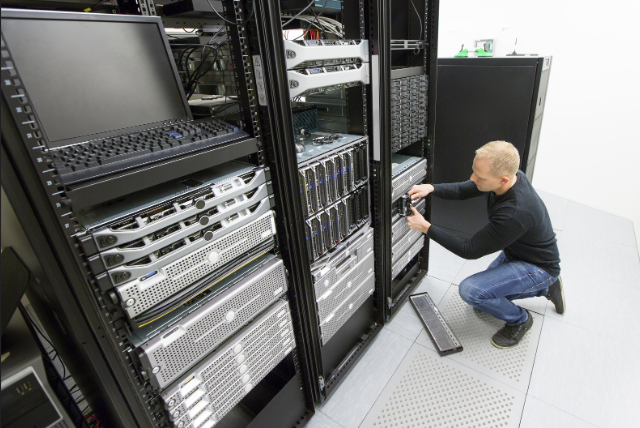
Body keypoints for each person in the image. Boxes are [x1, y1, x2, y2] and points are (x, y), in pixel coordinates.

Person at [407, 141, 564, 349]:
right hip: (516, 254)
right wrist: (432, 188)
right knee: (484, 301)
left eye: (480, 177)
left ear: (503, 179)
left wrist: (426, 227)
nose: (473, 179)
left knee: (472, 292)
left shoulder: (514, 212)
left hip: (537, 266)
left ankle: (520, 319)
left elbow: (469, 249)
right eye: (474, 171)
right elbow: (464, 190)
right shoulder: (511, 178)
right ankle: (546, 288)